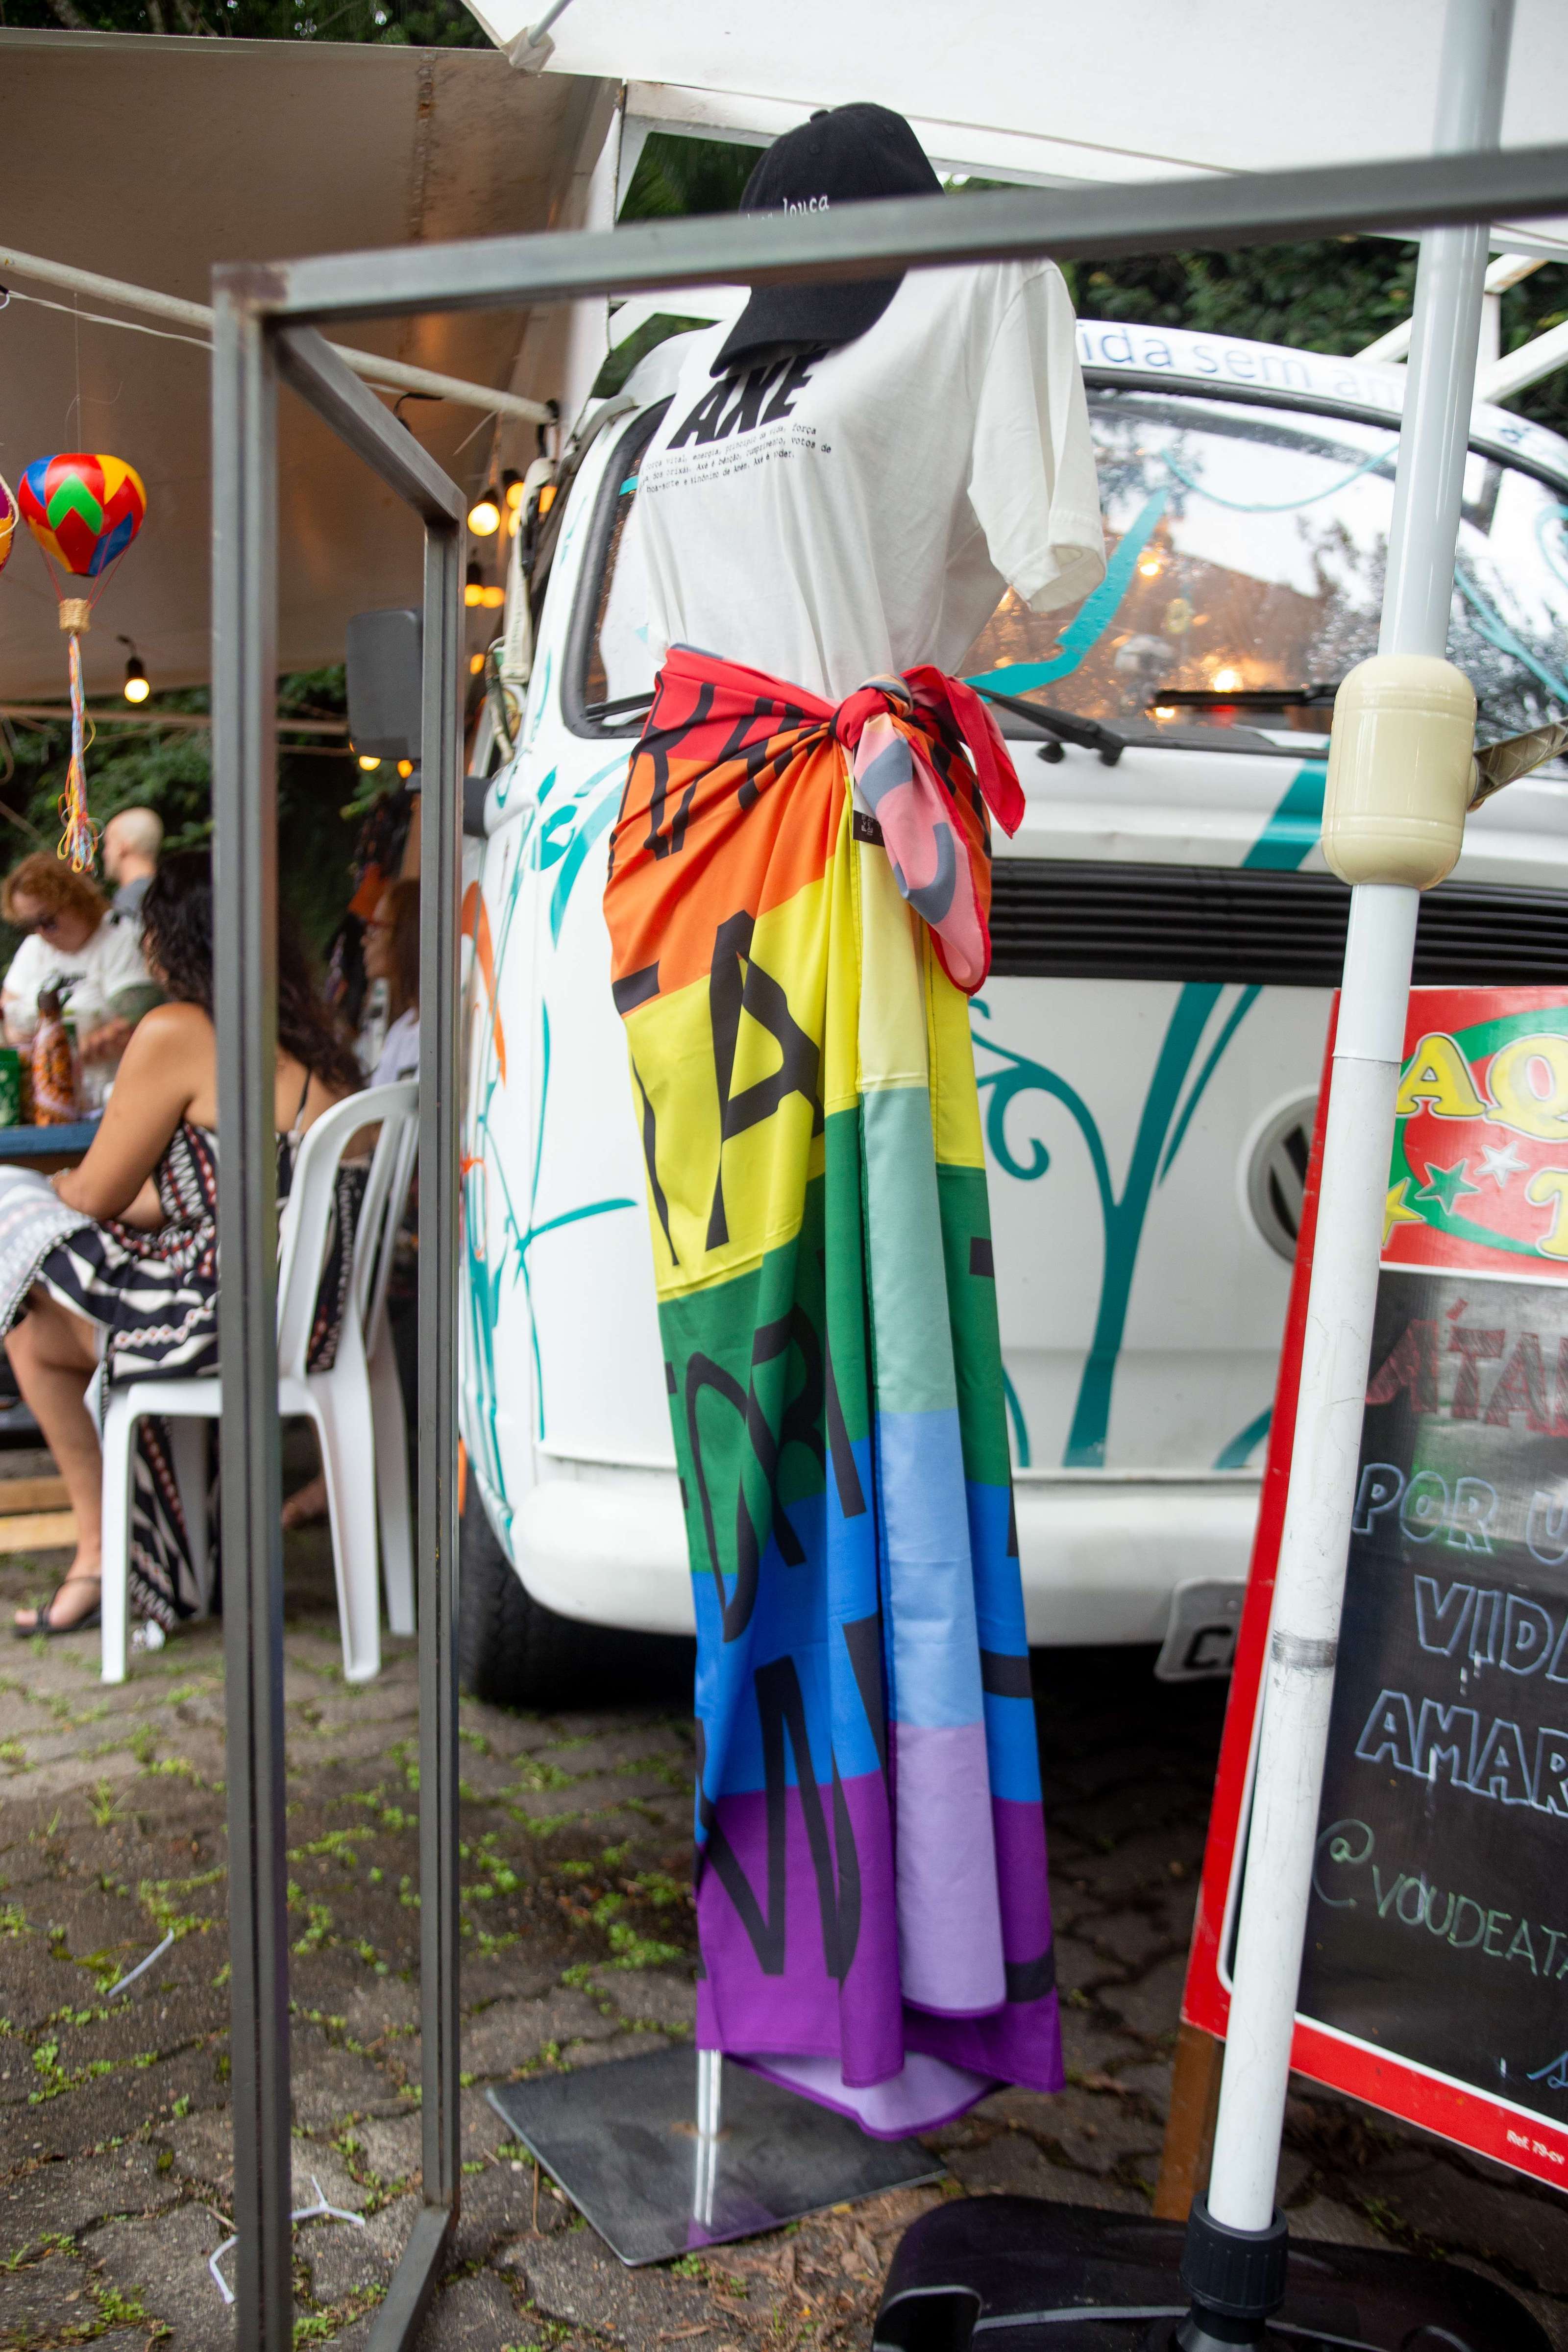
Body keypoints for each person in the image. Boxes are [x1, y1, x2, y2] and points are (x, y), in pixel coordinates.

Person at [3, 851, 364, 1636]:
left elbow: (96, 1194)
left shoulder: (180, 1030)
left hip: (221, 1315)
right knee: (35, 1315)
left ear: (172, 940)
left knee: (18, 1258)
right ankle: (139, 1554)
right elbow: (222, 1189)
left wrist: (45, 1190)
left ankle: (102, 1558)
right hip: (311, 1311)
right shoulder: (311, 1037)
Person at [284, 877, 419, 1531]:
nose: (365, 938)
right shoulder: (403, 1028)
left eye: (381, 927)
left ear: (412, 938)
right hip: (383, 1217)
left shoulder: (421, 1033)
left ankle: (330, 1475)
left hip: (404, 1228)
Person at [1, 855, 156, 1108]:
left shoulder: (119, 937)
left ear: (75, 901)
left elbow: (136, 1023)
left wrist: (58, 1055)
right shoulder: (34, 948)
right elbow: (8, 1016)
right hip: (44, 1101)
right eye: (29, 925)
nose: (41, 932)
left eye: (47, 921)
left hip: (112, 1097)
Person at [362, 878, 420, 1084]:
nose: (365, 940)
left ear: (405, 933)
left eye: (376, 927)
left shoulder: (440, 1026)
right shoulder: (400, 1030)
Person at [102, 808, 163, 923]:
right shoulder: (169, 892)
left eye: (108, 844)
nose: (105, 853)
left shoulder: (130, 900)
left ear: (122, 847)